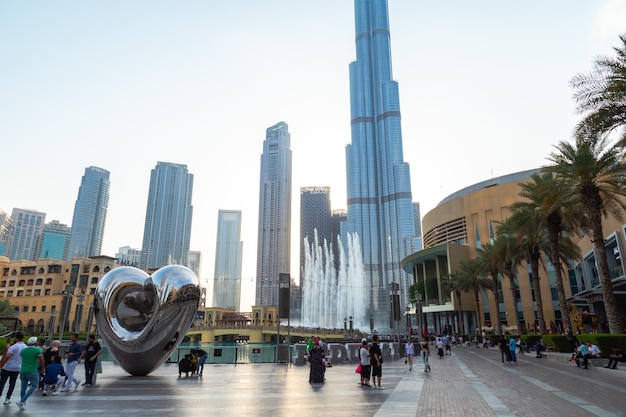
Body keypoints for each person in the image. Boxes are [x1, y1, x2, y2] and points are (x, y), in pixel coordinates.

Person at [16, 337, 45, 411]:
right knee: (34, 386)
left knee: (23, 387)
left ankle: (22, 404)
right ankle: (22, 401)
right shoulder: (37, 350)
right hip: (32, 371)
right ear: (35, 343)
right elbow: (41, 360)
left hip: (23, 371)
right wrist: (43, 368)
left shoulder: (23, 351)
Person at [0, 331, 26, 405]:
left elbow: (6, 357)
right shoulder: (25, 347)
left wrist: (1, 366)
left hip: (8, 367)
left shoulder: (13, 347)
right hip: (17, 368)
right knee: (12, 383)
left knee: (2, 382)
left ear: (16, 338)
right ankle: (7, 398)